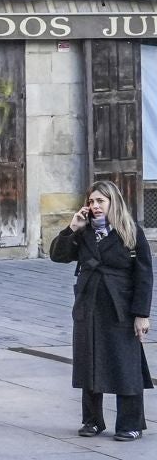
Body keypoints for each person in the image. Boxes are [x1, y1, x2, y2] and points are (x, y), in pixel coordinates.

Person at [50, 181, 152, 441]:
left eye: (100, 201)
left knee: (125, 363)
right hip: (89, 302)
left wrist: (141, 314)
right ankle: (92, 420)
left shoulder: (130, 231)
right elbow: (58, 255)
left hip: (121, 305)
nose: (95, 206)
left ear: (112, 202)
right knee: (89, 361)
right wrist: (72, 228)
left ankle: (131, 423)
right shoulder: (83, 232)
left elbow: (144, 276)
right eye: (91, 201)